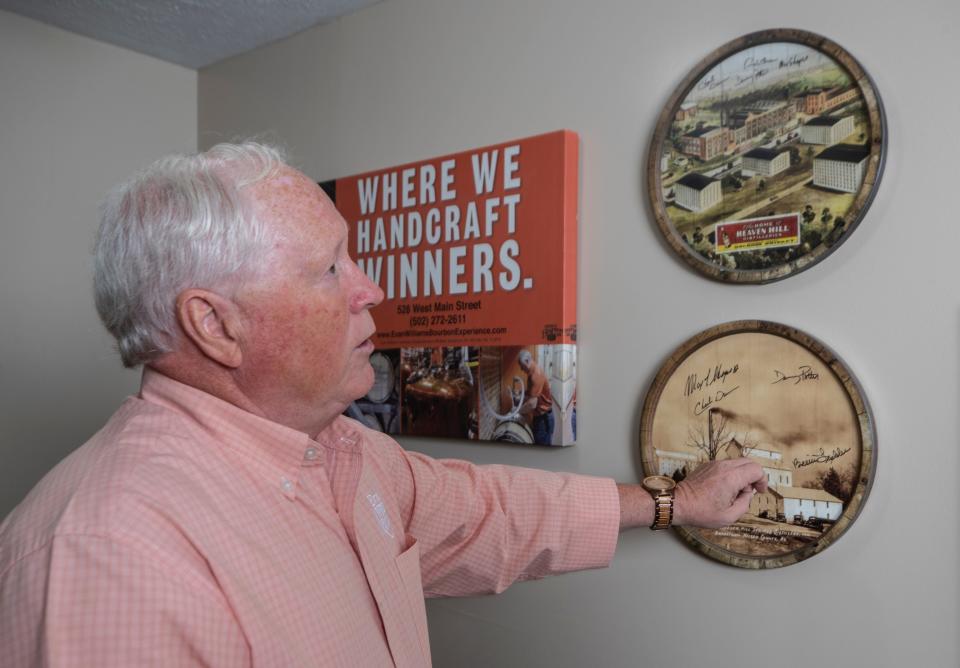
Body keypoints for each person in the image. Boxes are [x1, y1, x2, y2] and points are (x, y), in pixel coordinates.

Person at [0, 143, 766, 667]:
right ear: (215, 324)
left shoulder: (347, 453)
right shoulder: (104, 552)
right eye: (329, 268)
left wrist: (677, 503)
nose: (371, 289)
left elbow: (489, 515)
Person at [517, 348, 556, 445]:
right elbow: (533, 393)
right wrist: (521, 393)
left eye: (522, 366)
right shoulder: (531, 373)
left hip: (543, 417)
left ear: (527, 361)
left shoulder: (536, 375)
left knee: (541, 447)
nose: (522, 369)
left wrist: (517, 412)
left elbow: (532, 404)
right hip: (541, 415)